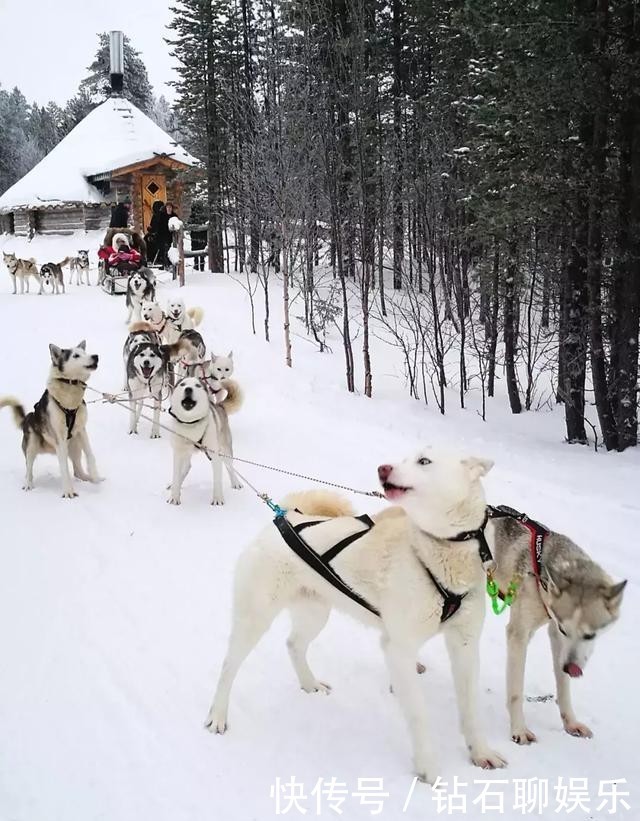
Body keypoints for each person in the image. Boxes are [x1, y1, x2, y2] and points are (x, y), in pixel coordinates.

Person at [189, 200, 208, 271]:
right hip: (201, 237)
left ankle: (197, 266)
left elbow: (189, 223)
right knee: (201, 252)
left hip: (196, 237)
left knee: (196, 252)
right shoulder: (203, 216)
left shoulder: (193, 216)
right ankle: (200, 267)